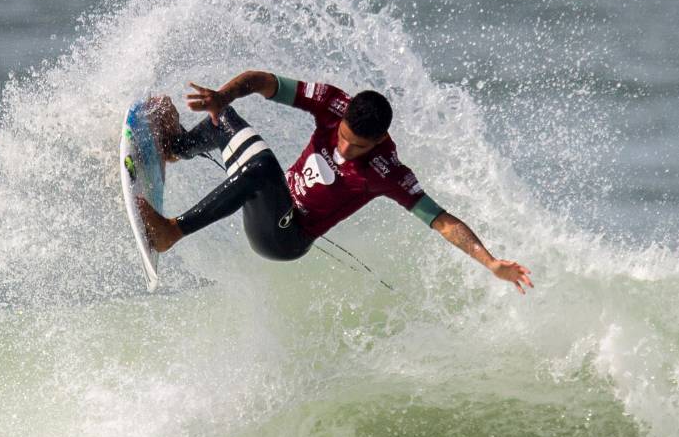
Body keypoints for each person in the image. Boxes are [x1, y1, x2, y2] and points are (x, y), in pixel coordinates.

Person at [137, 70, 533, 294]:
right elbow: (263, 82)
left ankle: (172, 231)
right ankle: (176, 145)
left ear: (379, 140)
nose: (343, 147)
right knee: (225, 116)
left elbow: (443, 220)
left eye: (356, 145)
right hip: (270, 202)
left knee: (261, 165)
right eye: (341, 135)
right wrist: (221, 96)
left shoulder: (386, 172)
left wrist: (491, 262)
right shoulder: (332, 103)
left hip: (284, 238)